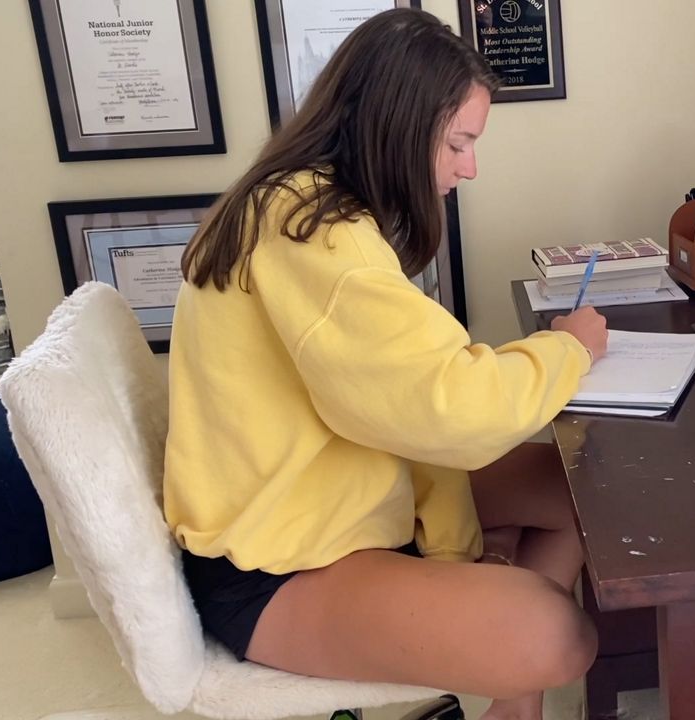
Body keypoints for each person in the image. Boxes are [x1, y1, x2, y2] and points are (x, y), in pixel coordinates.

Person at [163, 9, 606, 720]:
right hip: (279, 564)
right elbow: (449, 407)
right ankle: (509, 682)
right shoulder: (314, 238)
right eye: (459, 142)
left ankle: (505, 694)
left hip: (349, 490)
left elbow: (408, 384)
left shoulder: (302, 206)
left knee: (583, 489)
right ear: (400, 126)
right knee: (556, 632)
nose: (470, 166)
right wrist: (571, 348)